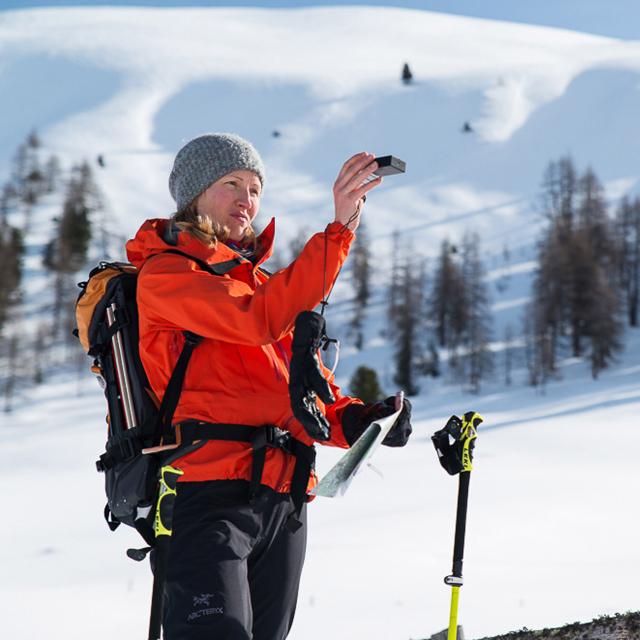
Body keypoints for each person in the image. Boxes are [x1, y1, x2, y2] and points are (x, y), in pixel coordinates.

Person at [125, 133, 413, 640]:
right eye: (232, 183)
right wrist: (340, 229)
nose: (247, 199)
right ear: (194, 193)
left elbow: (307, 394)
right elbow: (257, 320)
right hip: (207, 495)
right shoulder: (168, 275)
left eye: (255, 189)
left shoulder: (259, 284)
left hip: (284, 501)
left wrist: (361, 421)